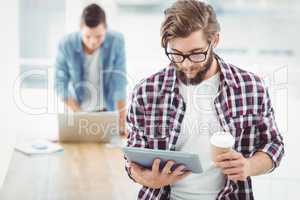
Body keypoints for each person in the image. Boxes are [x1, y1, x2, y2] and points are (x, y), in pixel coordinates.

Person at [125, 0, 284, 199]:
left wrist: (249, 166)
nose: (186, 64)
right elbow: (132, 159)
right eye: (176, 54)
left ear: (214, 40)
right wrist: (148, 179)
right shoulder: (146, 92)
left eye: (195, 54)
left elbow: (274, 145)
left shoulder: (251, 87)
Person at [55, 4, 127, 135]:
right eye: (87, 36)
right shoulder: (66, 44)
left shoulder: (117, 41)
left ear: (106, 29)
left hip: (108, 112)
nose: (93, 42)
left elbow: (119, 82)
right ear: (80, 30)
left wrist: (122, 122)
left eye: (99, 36)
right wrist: (80, 116)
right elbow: (60, 84)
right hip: (79, 110)